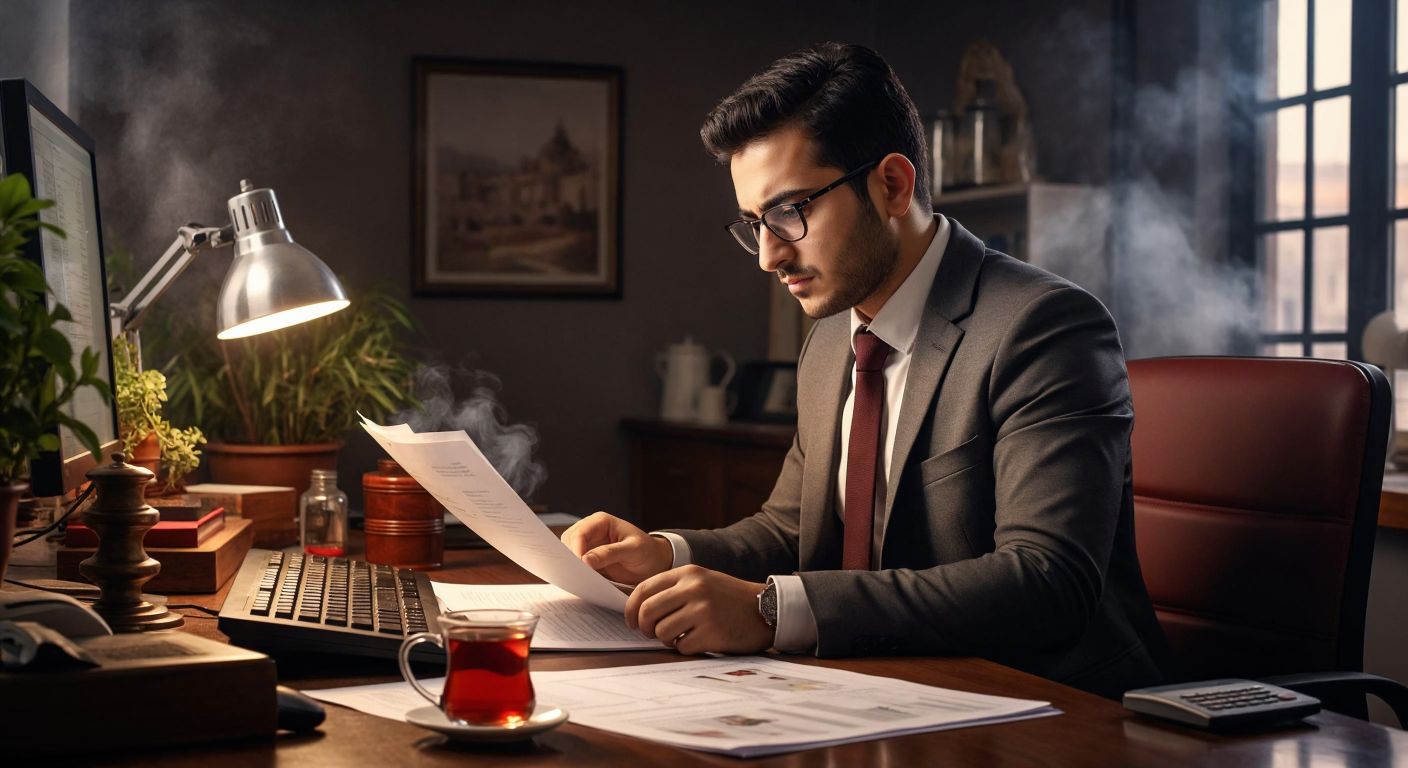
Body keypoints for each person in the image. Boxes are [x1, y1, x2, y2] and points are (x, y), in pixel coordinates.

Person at [561, 41, 1169, 699]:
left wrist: (770, 611)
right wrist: (665, 553)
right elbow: (791, 530)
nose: (768, 256)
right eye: (753, 223)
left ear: (892, 185)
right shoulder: (829, 341)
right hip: (882, 691)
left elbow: (1046, 583)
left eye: (791, 211)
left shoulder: (1044, 327)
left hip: (1047, 709)